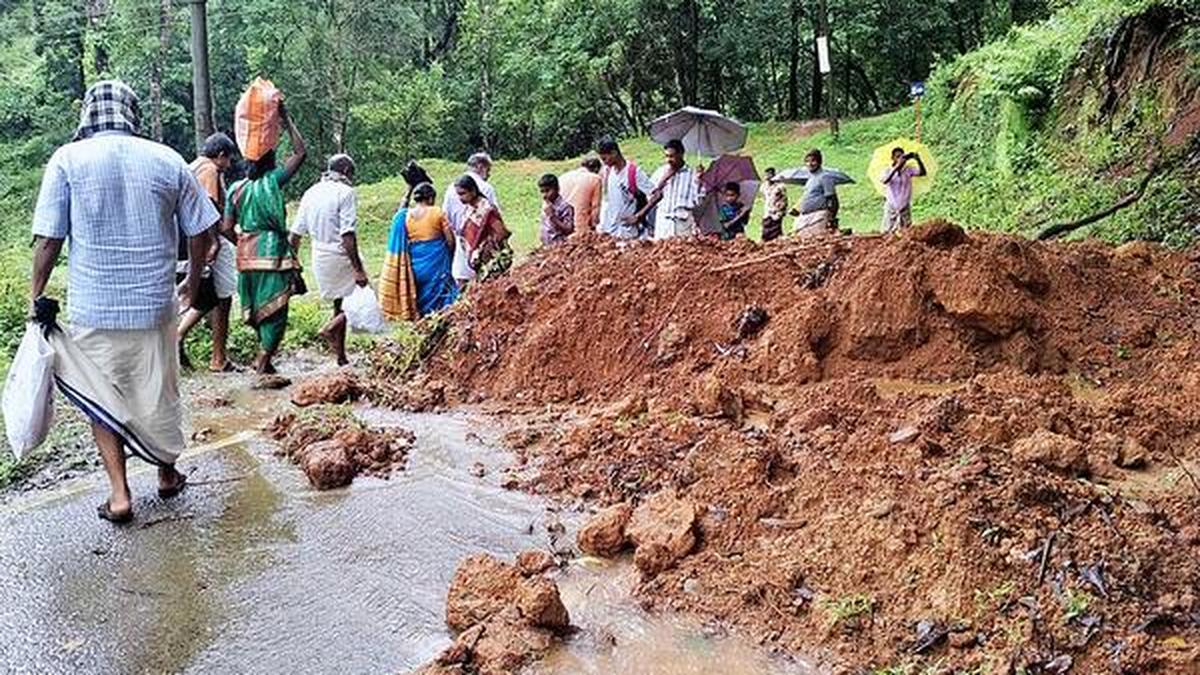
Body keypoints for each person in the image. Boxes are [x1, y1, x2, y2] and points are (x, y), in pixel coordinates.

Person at [30, 80, 219, 524]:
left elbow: (49, 239)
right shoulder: (166, 159)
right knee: (158, 390)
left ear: (89, 114)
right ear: (131, 114)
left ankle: (119, 495)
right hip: (155, 304)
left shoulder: (67, 160)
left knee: (104, 395)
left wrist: (35, 294)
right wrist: (191, 280)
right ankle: (167, 474)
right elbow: (201, 231)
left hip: (95, 307)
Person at [226, 101, 307, 375]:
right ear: (270, 160)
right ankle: (262, 363)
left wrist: (242, 240)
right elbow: (300, 152)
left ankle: (265, 360)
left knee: (260, 309)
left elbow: (226, 226)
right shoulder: (272, 181)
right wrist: (285, 116)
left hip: (246, 257)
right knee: (276, 310)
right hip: (272, 256)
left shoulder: (235, 189)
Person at [289, 154, 367, 367]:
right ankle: (330, 328)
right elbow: (347, 234)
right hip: (339, 253)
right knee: (362, 296)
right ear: (346, 172)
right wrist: (358, 269)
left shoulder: (311, 192)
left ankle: (341, 357)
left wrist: (293, 262)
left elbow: (295, 234)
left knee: (339, 304)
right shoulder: (346, 192)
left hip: (319, 254)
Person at [178, 132, 239, 372]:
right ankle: (214, 356)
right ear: (221, 155)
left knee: (210, 295)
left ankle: (217, 356)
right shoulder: (209, 170)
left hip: (191, 240)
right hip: (204, 239)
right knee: (220, 297)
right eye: (229, 159)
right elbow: (209, 206)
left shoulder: (192, 166)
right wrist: (215, 241)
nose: (229, 165)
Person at [379, 182, 458, 321]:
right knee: (441, 291)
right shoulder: (437, 212)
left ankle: (422, 321)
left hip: (416, 262)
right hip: (436, 261)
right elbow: (450, 240)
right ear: (430, 198)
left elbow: (398, 214)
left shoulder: (405, 216)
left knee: (420, 291)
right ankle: (440, 319)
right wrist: (450, 255)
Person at [444, 153, 501, 288]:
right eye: (488, 170)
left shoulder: (451, 188)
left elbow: (447, 218)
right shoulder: (486, 188)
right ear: (481, 167)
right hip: (473, 245)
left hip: (471, 247)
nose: (489, 175)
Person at [640, 139, 706, 240]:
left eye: (672, 156)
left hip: (682, 223)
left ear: (681, 154)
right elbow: (650, 195)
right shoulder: (660, 172)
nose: (668, 160)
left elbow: (698, 202)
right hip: (664, 222)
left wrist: (699, 182)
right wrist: (664, 178)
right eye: (666, 156)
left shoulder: (692, 175)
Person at [455, 175, 512, 281]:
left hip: (491, 262)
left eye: (463, 194)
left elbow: (502, 232)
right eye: (458, 194)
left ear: (473, 191)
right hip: (479, 263)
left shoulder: (485, 209)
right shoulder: (469, 209)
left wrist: (487, 248)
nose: (460, 198)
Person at [597, 138, 654, 240]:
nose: (604, 163)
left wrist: (638, 216)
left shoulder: (634, 172)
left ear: (614, 153)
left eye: (605, 159)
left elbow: (657, 195)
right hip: (611, 229)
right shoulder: (608, 171)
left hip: (629, 231)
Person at [789, 149, 840, 238]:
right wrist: (798, 208)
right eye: (807, 161)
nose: (810, 164)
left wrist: (831, 217)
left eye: (813, 161)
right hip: (805, 216)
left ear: (819, 162)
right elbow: (809, 196)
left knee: (815, 240)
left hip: (819, 216)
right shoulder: (810, 179)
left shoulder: (825, 177)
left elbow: (832, 198)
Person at [880, 146, 927, 233]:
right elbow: (885, 180)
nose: (900, 159)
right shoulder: (887, 170)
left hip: (905, 203)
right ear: (892, 158)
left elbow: (922, 173)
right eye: (897, 157)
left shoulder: (908, 169)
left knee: (906, 230)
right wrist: (896, 168)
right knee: (888, 229)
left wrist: (918, 160)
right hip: (892, 203)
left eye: (902, 156)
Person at [558, 157, 602, 232]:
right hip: (580, 228)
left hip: (560, 226)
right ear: (596, 169)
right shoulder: (595, 179)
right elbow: (595, 208)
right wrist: (594, 227)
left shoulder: (563, 177)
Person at [538, 173, 575, 246]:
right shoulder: (546, 203)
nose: (544, 195)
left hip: (558, 246)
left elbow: (569, 229)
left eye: (547, 191)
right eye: (542, 191)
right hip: (546, 245)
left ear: (557, 189)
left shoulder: (565, 207)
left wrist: (553, 217)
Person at [759, 167, 788, 241]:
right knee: (765, 231)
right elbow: (764, 197)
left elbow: (784, 200)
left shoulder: (780, 186)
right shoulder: (764, 186)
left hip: (776, 212)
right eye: (766, 174)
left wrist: (780, 209)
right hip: (767, 211)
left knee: (776, 231)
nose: (768, 176)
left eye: (770, 174)